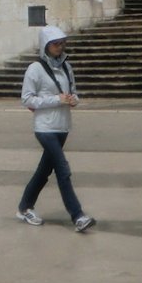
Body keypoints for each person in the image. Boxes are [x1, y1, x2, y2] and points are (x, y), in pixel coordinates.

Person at [16, 25, 95, 232]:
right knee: (63, 169)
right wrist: (56, 99)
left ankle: (24, 207)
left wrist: (72, 99)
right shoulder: (35, 69)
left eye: (62, 43)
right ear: (46, 46)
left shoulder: (67, 67)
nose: (60, 47)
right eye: (55, 44)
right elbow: (27, 99)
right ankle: (77, 215)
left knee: (44, 171)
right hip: (45, 128)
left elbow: (74, 91)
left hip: (62, 126)